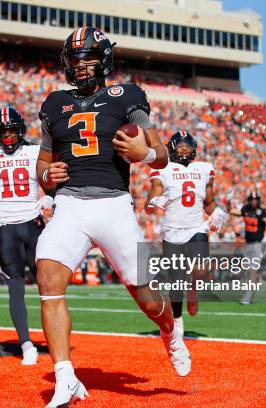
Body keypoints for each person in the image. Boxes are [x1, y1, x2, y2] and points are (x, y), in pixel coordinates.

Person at [34, 27, 190, 407]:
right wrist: (45, 176)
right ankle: (65, 378)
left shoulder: (126, 96)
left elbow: (162, 154)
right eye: (74, 59)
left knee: (151, 302)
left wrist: (146, 154)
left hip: (114, 204)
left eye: (87, 57)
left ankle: (170, 332)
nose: (80, 65)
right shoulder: (54, 103)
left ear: (103, 58)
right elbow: (43, 161)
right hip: (70, 204)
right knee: (47, 273)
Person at [0, 107, 52, 365]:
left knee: (49, 287)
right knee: (15, 289)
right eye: (3, 131)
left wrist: (50, 196)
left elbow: (53, 184)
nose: (7, 136)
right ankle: (27, 345)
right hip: (7, 228)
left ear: (20, 132)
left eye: (11, 131)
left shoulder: (34, 151)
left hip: (33, 224)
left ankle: (53, 338)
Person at [145, 131, 228, 337]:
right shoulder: (162, 169)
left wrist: (216, 212)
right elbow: (150, 200)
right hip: (172, 231)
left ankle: (194, 291)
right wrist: (155, 201)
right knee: (176, 281)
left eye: (187, 146)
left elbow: (209, 202)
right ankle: (177, 318)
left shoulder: (204, 169)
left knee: (200, 269)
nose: (184, 149)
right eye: (180, 146)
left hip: (196, 228)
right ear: (172, 148)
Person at [228, 192, 266, 304]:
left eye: (256, 199)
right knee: (246, 270)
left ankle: (247, 297)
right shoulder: (245, 209)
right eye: (252, 199)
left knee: (253, 270)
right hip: (247, 244)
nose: (254, 201)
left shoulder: (261, 212)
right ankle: (249, 290)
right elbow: (233, 212)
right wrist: (228, 203)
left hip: (258, 245)